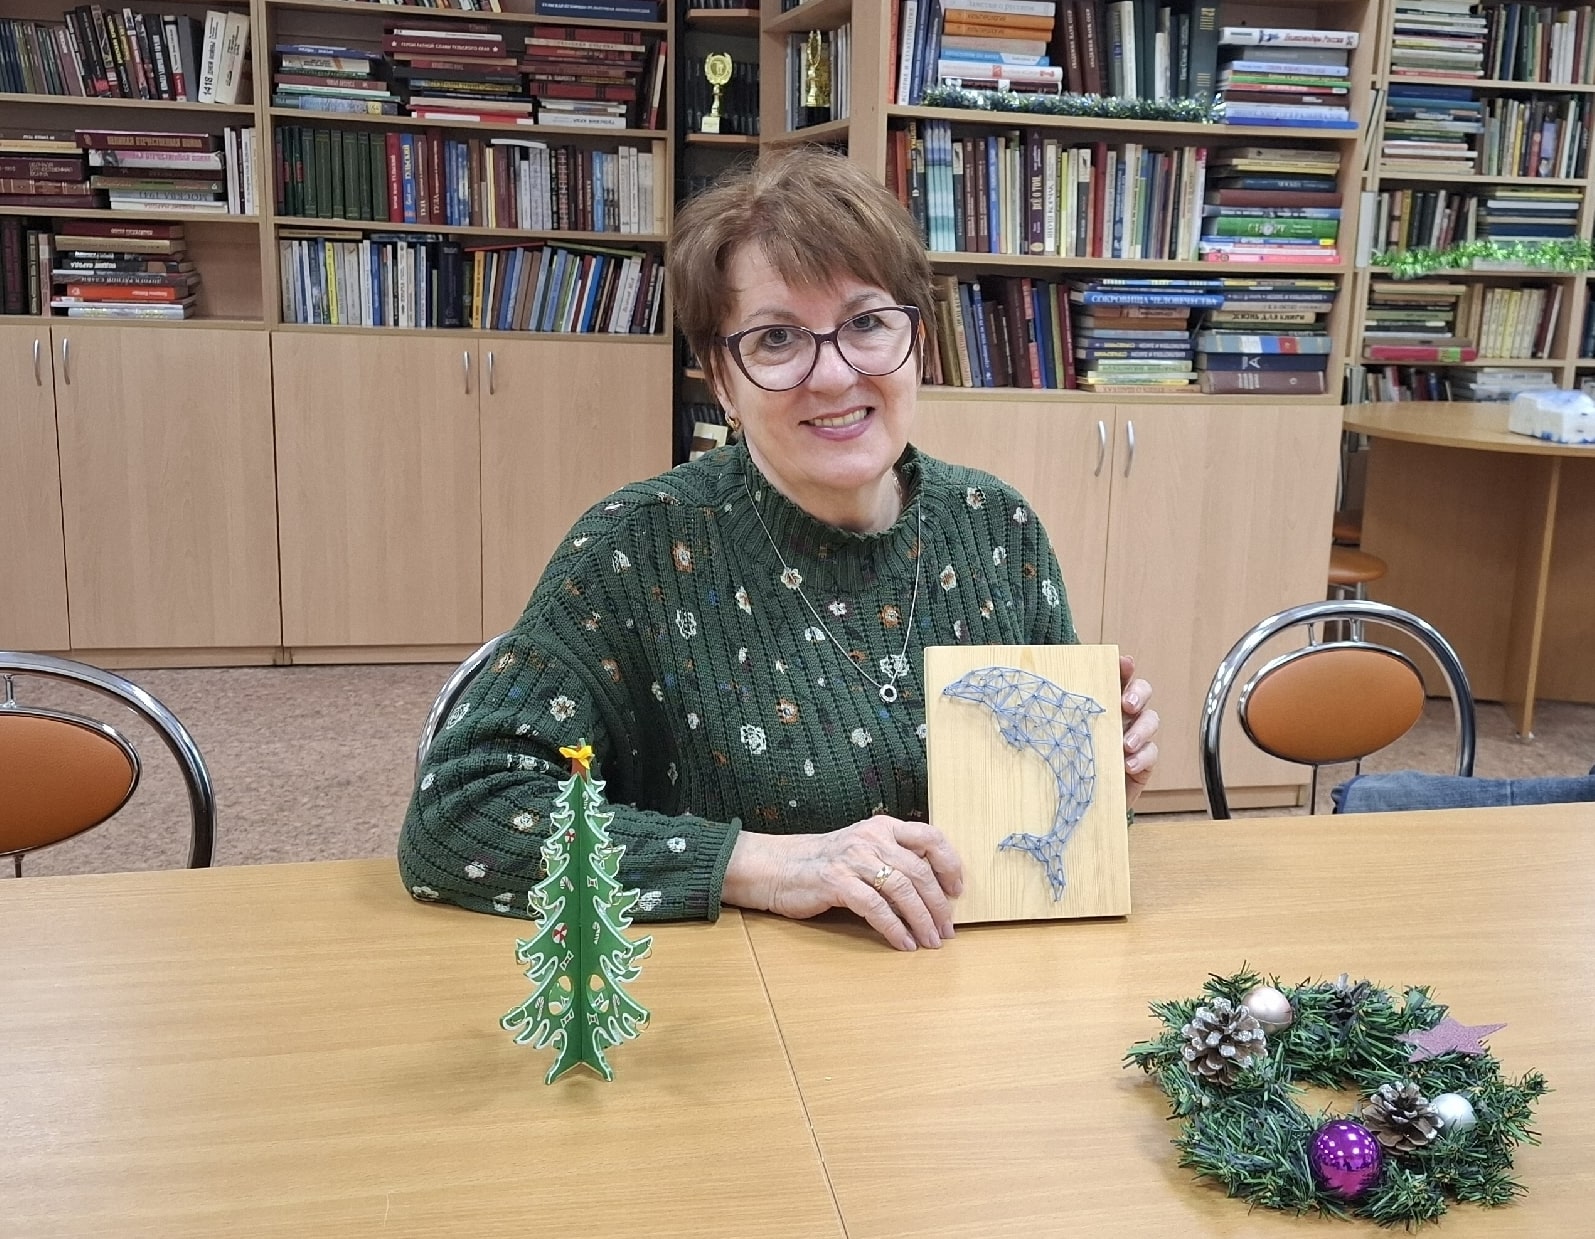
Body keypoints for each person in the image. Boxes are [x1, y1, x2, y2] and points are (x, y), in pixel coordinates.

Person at [399, 148, 1160, 951]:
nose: (832, 375)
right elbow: (459, 815)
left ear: (918, 341)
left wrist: (1107, 784)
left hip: (972, 988)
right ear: (721, 379)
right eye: (776, 339)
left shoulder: (996, 526)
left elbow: (1035, 838)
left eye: (866, 323)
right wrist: (764, 866)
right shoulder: (636, 549)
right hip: (740, 997)